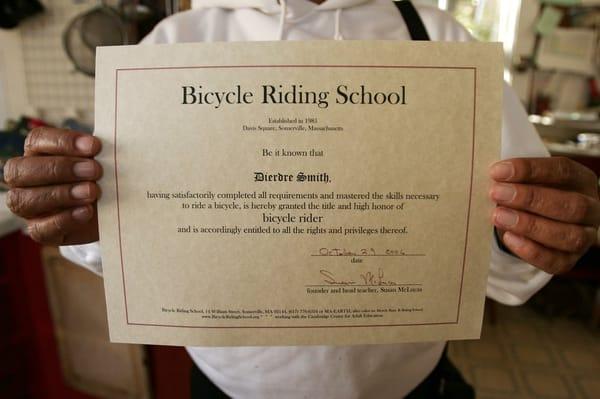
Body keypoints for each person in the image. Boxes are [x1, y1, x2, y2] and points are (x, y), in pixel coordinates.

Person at [4, 1, 600, 398]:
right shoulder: (173, 43)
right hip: (227, 391)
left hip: (411, 390)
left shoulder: (442, 41)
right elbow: (139, 236)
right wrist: (83, 217)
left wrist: (530, 228)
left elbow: (508, 254)